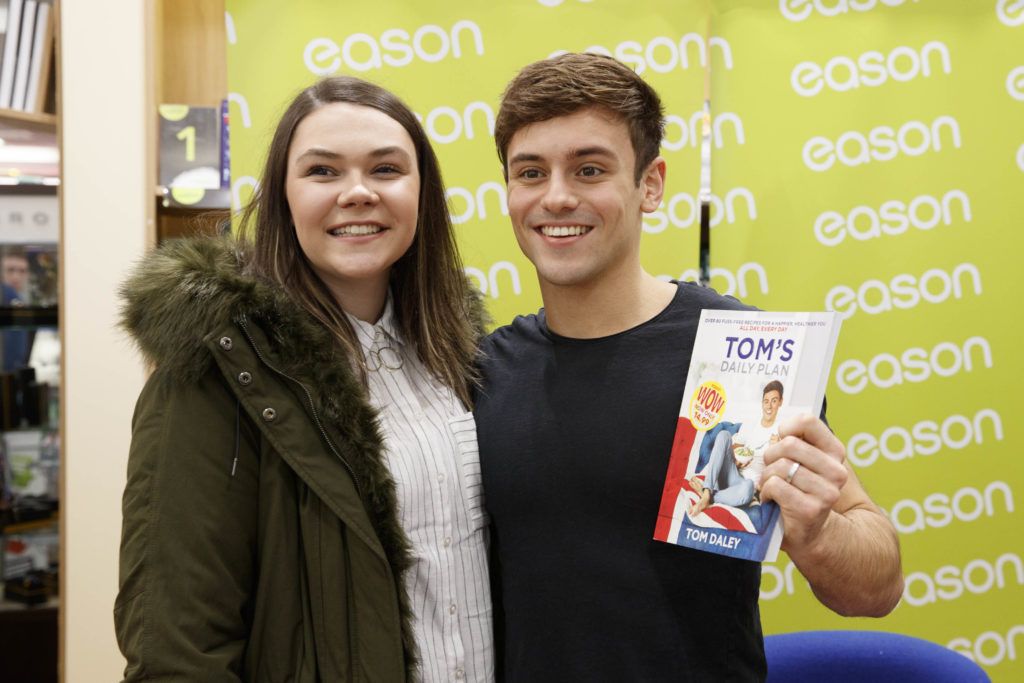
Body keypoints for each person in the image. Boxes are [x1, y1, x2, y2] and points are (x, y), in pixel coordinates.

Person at [474, 53, 903, 681]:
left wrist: (816, 532)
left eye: (589, 169)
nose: (557, 196)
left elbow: (876, 587)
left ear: (650, 185)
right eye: (530, 172)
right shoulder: (479, 372)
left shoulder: (741, 355)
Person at [116, 77, 493, 681]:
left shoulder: (460, 355)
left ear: (422, 192)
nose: (358, 193)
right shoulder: (219, 369)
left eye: (387, 169)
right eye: (322, 171)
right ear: (282, 198)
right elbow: (176, 644)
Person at [690, 380, 784, 516]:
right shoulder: (751, 425)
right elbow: (733, 446)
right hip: (731, 474)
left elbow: (778, 471)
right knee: (724, 434)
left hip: (745, 487)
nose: (769, 406)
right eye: (766, 401)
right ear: (762, 403)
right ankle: (707, 491)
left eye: (774, 401)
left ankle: (708, 496)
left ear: (780, 402)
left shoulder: (781, 433)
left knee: (748, 487)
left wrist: (777, 449)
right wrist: (737, 460)